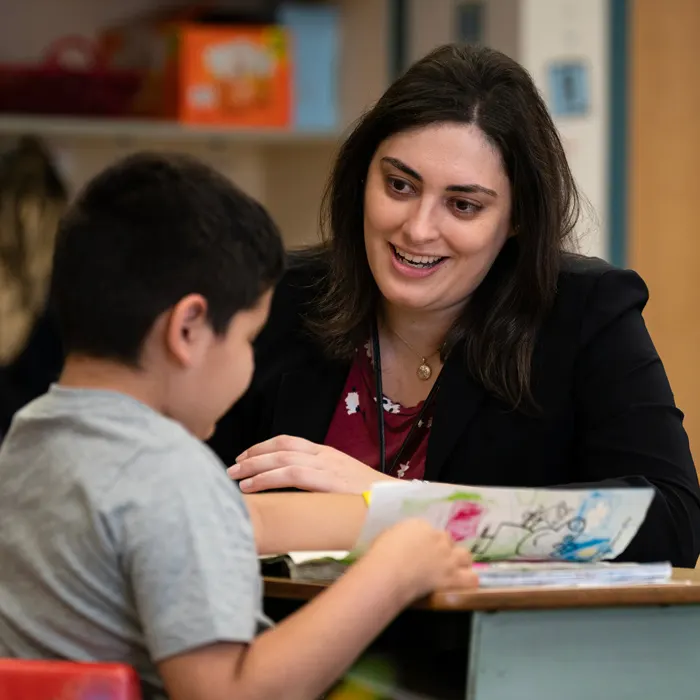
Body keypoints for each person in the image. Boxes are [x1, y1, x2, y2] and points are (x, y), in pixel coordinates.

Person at [0, 152, 476, 700]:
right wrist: (392, 576)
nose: (250, 365)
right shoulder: (173, 474)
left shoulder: (29, 436)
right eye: (249, 340)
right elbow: (227, 693)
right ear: (189, 329)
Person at [209, 43, 700, 568]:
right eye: (399, 185)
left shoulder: (585, 310)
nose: (418, 229)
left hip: (493, 648)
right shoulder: (276, 295)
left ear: (516, 219)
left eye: (463, 205)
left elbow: (671, 521)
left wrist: (398, 505)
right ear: (361, 179)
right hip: (283, 641)